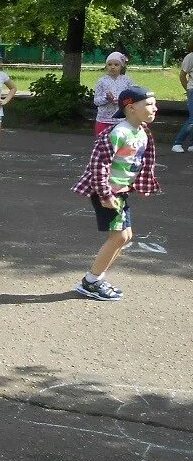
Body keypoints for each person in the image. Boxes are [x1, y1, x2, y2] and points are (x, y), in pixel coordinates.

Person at [71, 86, 159, 301]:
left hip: (121, 192)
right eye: (149, 104)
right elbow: (98, 165)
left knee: (126, 236)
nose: (155, 108)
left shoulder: (141, 131)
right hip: (107, 192)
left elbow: (138, 162)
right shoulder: (118, 132)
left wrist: (140, 185)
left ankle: (97, 278)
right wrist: (105, 194)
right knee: (119, 236)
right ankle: (90, 281)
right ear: (130, 108)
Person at [94, 52, 132, 137]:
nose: (113, 67)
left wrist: (121, 101)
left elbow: (133, 97)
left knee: (120, 145)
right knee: (103, 145)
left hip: (122, 120)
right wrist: (107, 98)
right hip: (104, 119)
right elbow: (96, 101)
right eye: (109, 64)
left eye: (116, 64)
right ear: (106, 66)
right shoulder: (102, 81)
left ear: (121, 66)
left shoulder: (127, 81)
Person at [172, 40, 193, 153]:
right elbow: (182, 75)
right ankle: (177, 143)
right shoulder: (190, 57)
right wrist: (188, 90)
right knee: (192, 119)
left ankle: (191, 144)